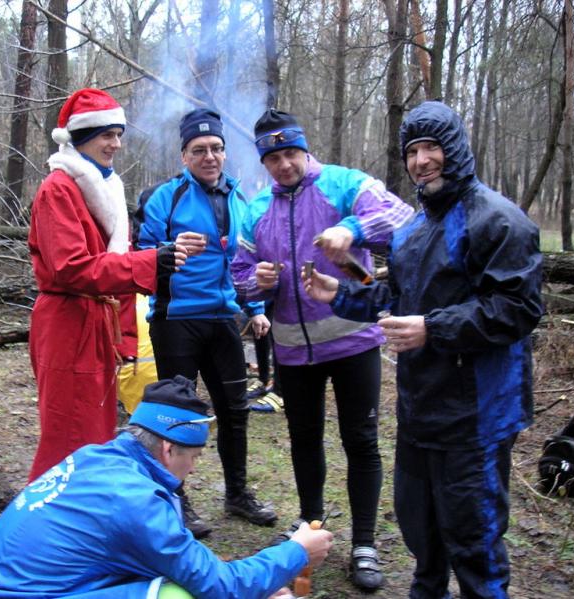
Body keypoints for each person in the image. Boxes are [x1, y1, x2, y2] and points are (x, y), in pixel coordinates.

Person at [302, 100, 544, 599]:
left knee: (473, 540)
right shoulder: (414, 228)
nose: (421, 161)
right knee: (422, 534)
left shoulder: (498, 221)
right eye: (412, 151)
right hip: (420, 408)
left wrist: (433, 329)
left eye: (432, 147)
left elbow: (518, 308)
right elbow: (398, 298)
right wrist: (338, 293)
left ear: (454, 148)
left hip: (477, 412)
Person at [230, 108, 414, 592]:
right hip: (293, 351)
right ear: (264, 162)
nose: (284, 164)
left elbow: (403, 220)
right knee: (304, 441)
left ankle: (364, 545)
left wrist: (352, 229)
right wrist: (257, 282)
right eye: (273, 157)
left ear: (305, 150)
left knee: (361, 441)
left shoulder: (343, 183)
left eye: (291, 153)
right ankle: (310, 531)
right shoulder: (255, 209)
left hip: (354, 341)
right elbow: (239, 273)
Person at [0, 376, 334, 599]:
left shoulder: (94, 458)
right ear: (168, 449)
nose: (194, 469)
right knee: (178, 595)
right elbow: (218, 586)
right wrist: (295, 554)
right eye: (195, 458)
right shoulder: (135, 501)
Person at [27, 88, 187, 482]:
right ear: (80, 138)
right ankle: (49, 529)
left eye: (119, 134)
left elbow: (117, 280)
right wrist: (150, 262)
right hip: (67, 326)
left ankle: (85, 522)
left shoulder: (105, 187)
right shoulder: (58, 190)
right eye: (105, 134)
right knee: (68, 436)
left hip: (97, 324)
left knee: (95, 433)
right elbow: (71, 269)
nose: (115, 143)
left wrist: (125, 341)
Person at [137, 108, 276, 538]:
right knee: (180, 415)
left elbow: (245, 259)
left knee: (235, 410)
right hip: (176, 319)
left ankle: (237, 494)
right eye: (199, 150)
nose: (210, 156)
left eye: (216, 148)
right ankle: (178, 499)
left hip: (224, 318)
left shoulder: (238, 197)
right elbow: (142, 255)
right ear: (184, 156)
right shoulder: (165, 197)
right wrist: (171, 248)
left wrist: (255, 309)